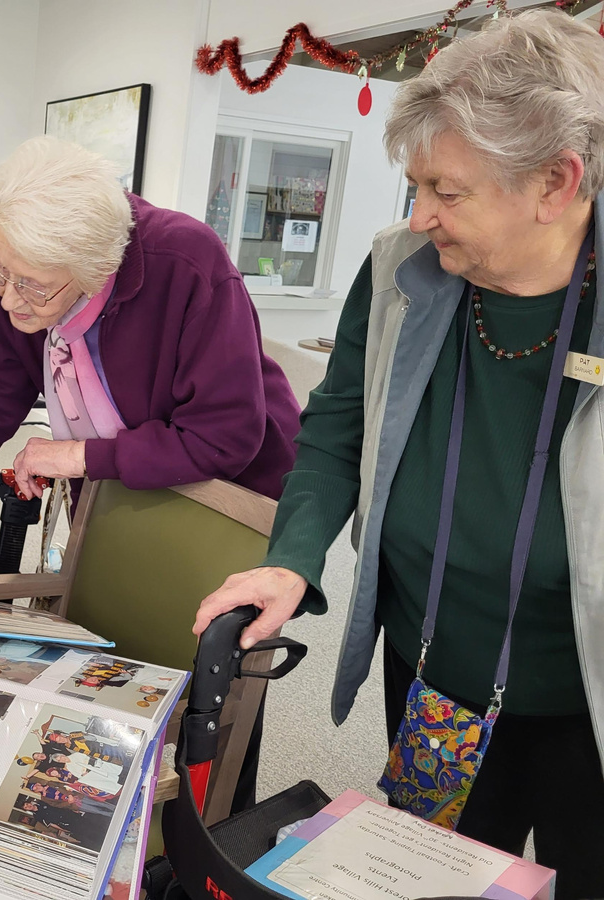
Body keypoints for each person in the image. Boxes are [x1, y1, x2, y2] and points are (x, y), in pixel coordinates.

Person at [192, 11, 604, 895]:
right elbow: (338, 424)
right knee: (426, 878)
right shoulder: (399, 271)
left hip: (588, 705)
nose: (421, 215)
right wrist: (292, 561)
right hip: (436, 682)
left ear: (556, 183)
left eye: (448, 192)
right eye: (416, 185)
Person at [0, 135, 299, 526]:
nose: (8, 298)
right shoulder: (25, 267)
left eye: (31, 286)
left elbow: (225, 436)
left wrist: (77, 455)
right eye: (0, 272)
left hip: (234, 495)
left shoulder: (187, 263)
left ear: (96, 271)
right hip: (131, 483)